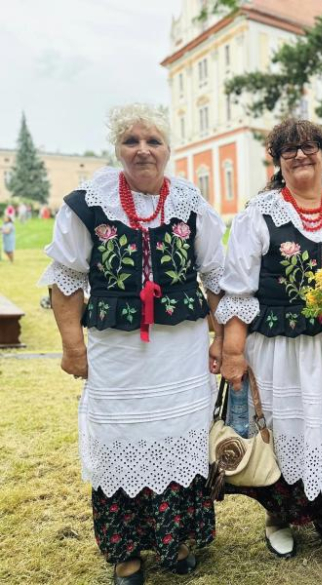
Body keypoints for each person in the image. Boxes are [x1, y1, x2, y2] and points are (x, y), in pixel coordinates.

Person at [40, 103, 225, 584]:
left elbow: (217, 277)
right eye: (131, 141)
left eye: (153, 141)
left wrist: (221, 339)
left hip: (181, 353)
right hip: (117, 355)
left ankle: (178, 540)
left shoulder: (191, 204)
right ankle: (126, 553)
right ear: (117, 149)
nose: (143, 150)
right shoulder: (88, 203)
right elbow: (65, 280)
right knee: (119, 439)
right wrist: (72, 347)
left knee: (182, 439)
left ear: (168, 149)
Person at [218, 119, 322, 559]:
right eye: (289, 151)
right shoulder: (259, 215)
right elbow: (237, 291)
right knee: (286, 427)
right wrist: (233, 353)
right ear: (277, 162)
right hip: (279, 350)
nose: (301, 156)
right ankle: (279, 517)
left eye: (310, 148)